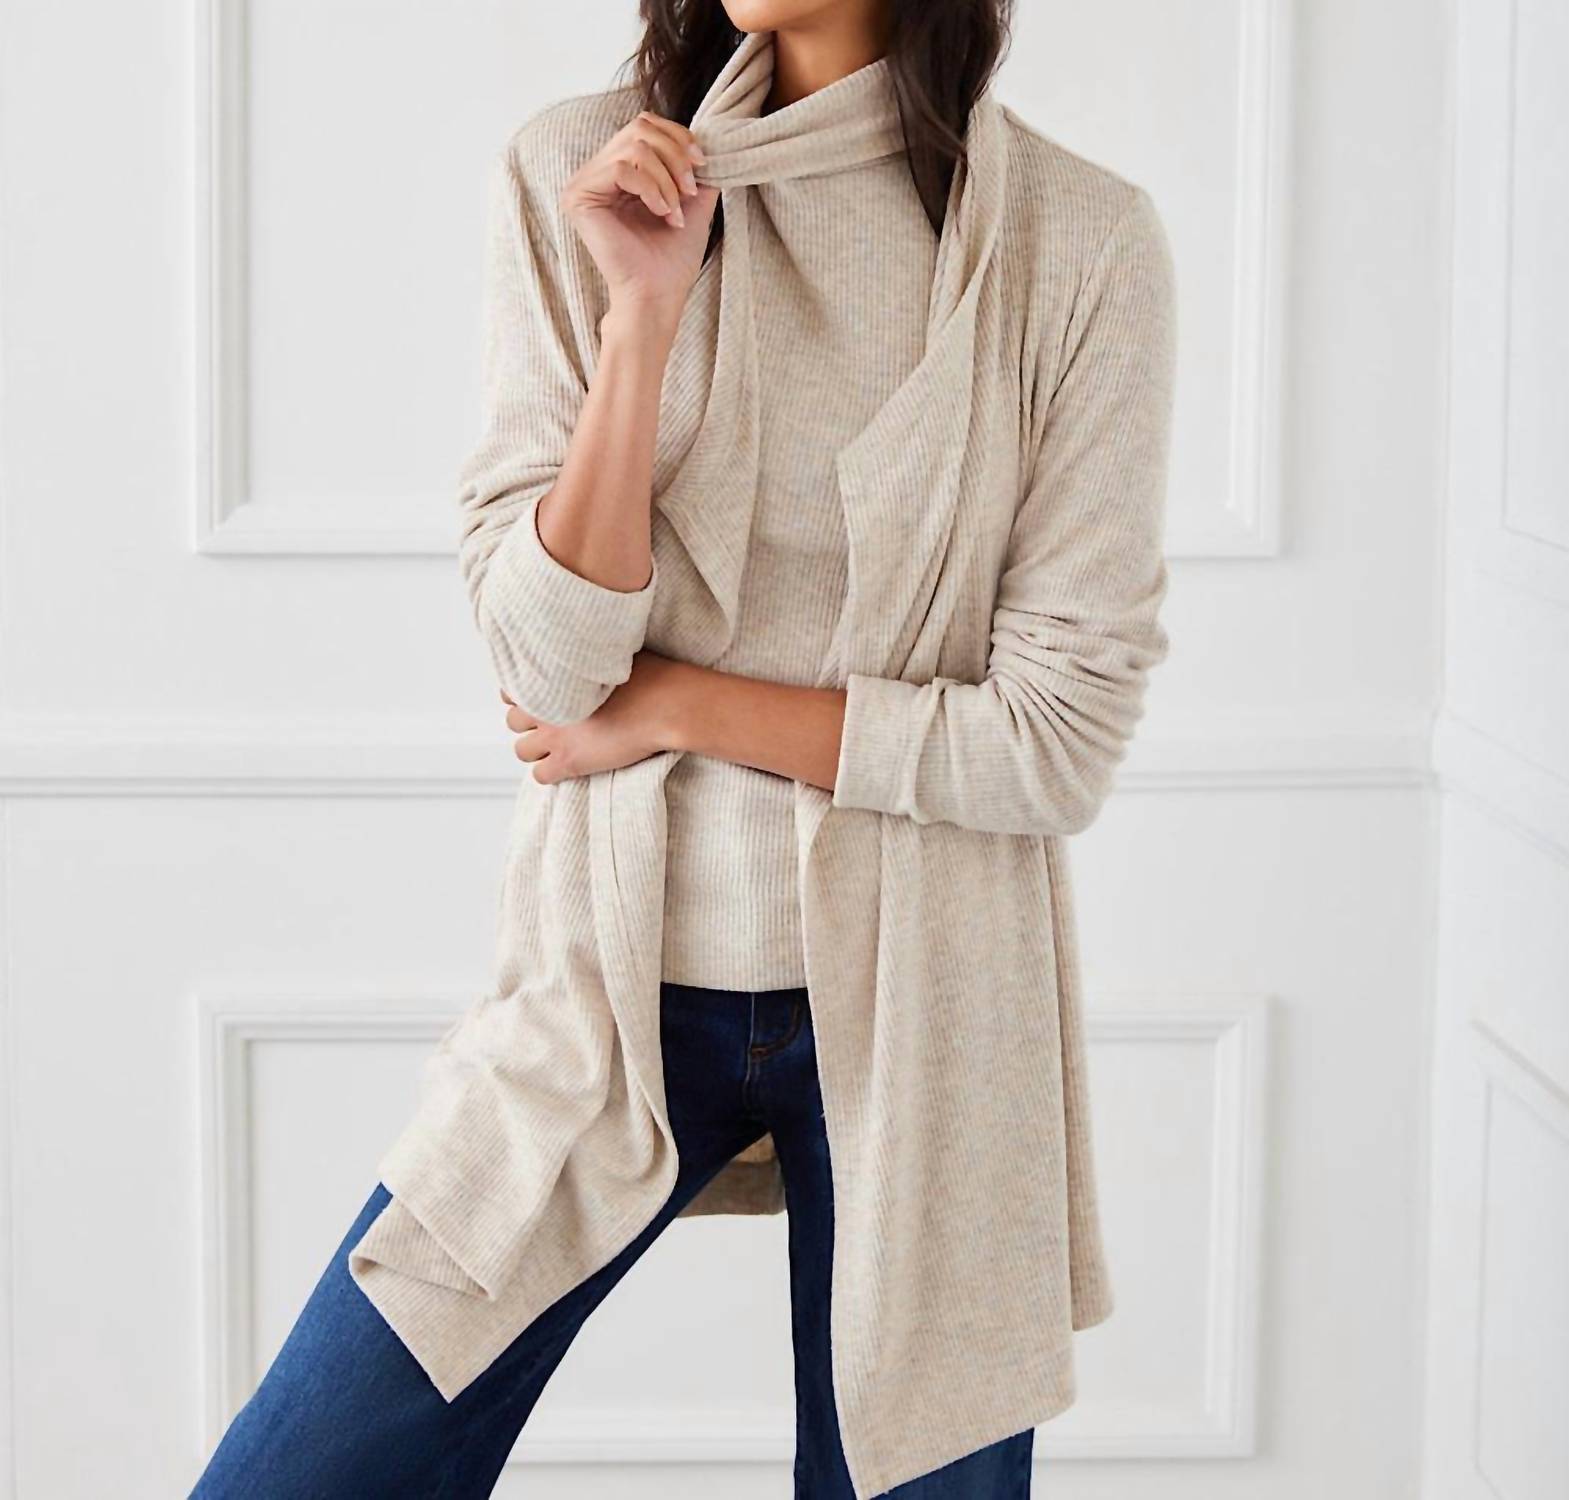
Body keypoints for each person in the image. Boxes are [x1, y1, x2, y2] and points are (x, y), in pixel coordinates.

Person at [190, 0, 1176, 1495]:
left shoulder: (1076, 244)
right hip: (608, 983)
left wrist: (678, 707)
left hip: (934, 1009)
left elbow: (1055, 741)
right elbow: (546, 665)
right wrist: (640, 318)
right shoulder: (577, 174)